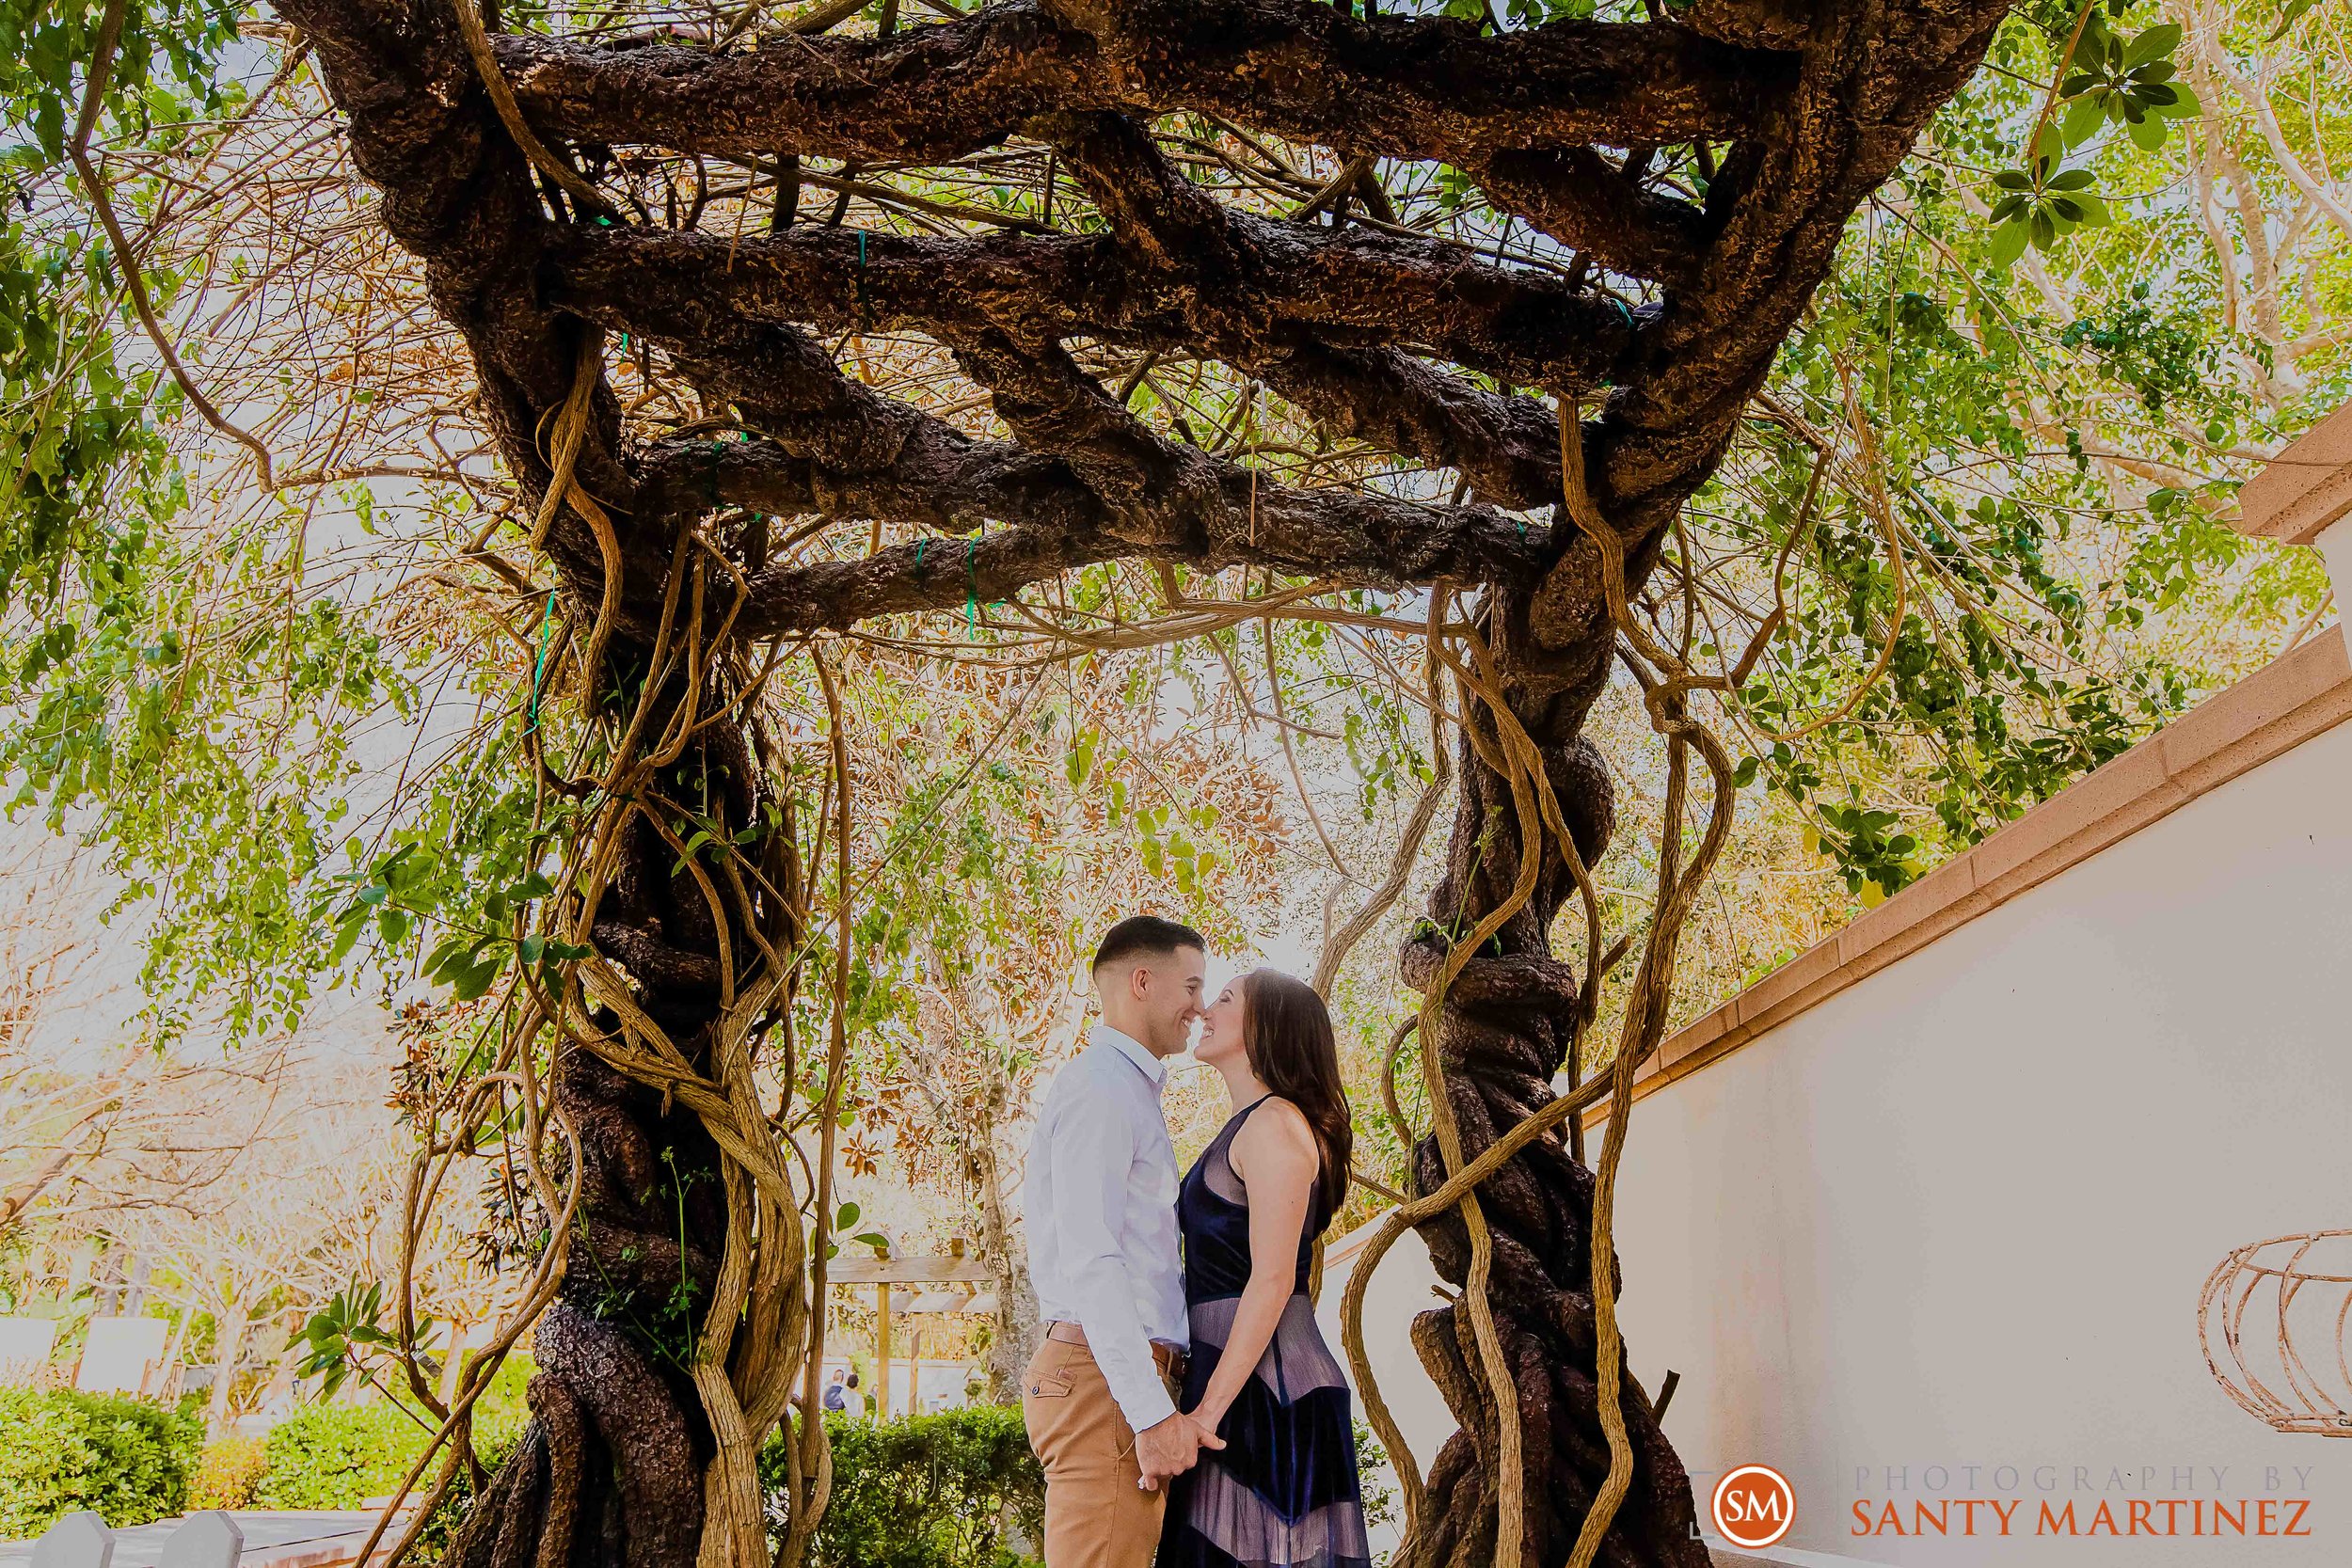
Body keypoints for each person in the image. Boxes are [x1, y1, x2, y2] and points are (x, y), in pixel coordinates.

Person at [1022, 916, 1224, 1568]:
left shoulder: (1124, 1088)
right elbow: (1093, 1259)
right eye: (1191, 985)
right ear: (1142, 980)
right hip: (1106, 1383)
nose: (1199, 1005)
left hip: (1112, 1378)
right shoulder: (1102, 1087)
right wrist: (1148, 1411)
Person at [1158, 969, 1371, 1568]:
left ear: (1265, 1029)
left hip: (1269, 1394)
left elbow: (1273, 1279)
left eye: (1224, 999)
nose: (1205, 1009)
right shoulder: (1251, 1124)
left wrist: (1206, 1410)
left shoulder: (1276, 1124)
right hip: (1237, 1382)